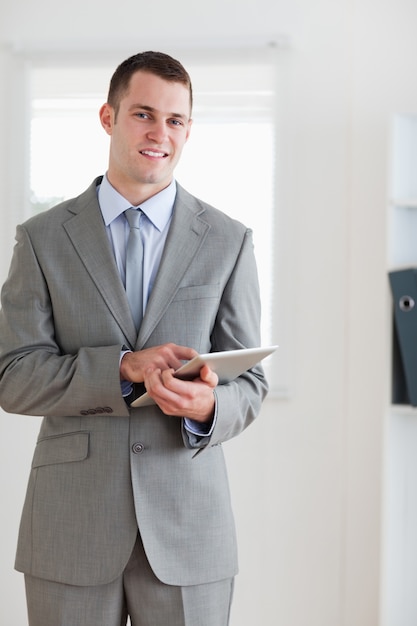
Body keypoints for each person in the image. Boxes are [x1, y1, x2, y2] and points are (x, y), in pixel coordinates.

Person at [0, 51, 269, 626]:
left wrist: (211, 405)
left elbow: (251, 383)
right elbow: (14, 377)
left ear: (189, 130)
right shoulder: (43, 239)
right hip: (70, 527)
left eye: (175, 121)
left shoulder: (229, 240)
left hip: (188, 528)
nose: (159, 133)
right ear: (108, 117)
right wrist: (121, 368)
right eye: (144, 114)